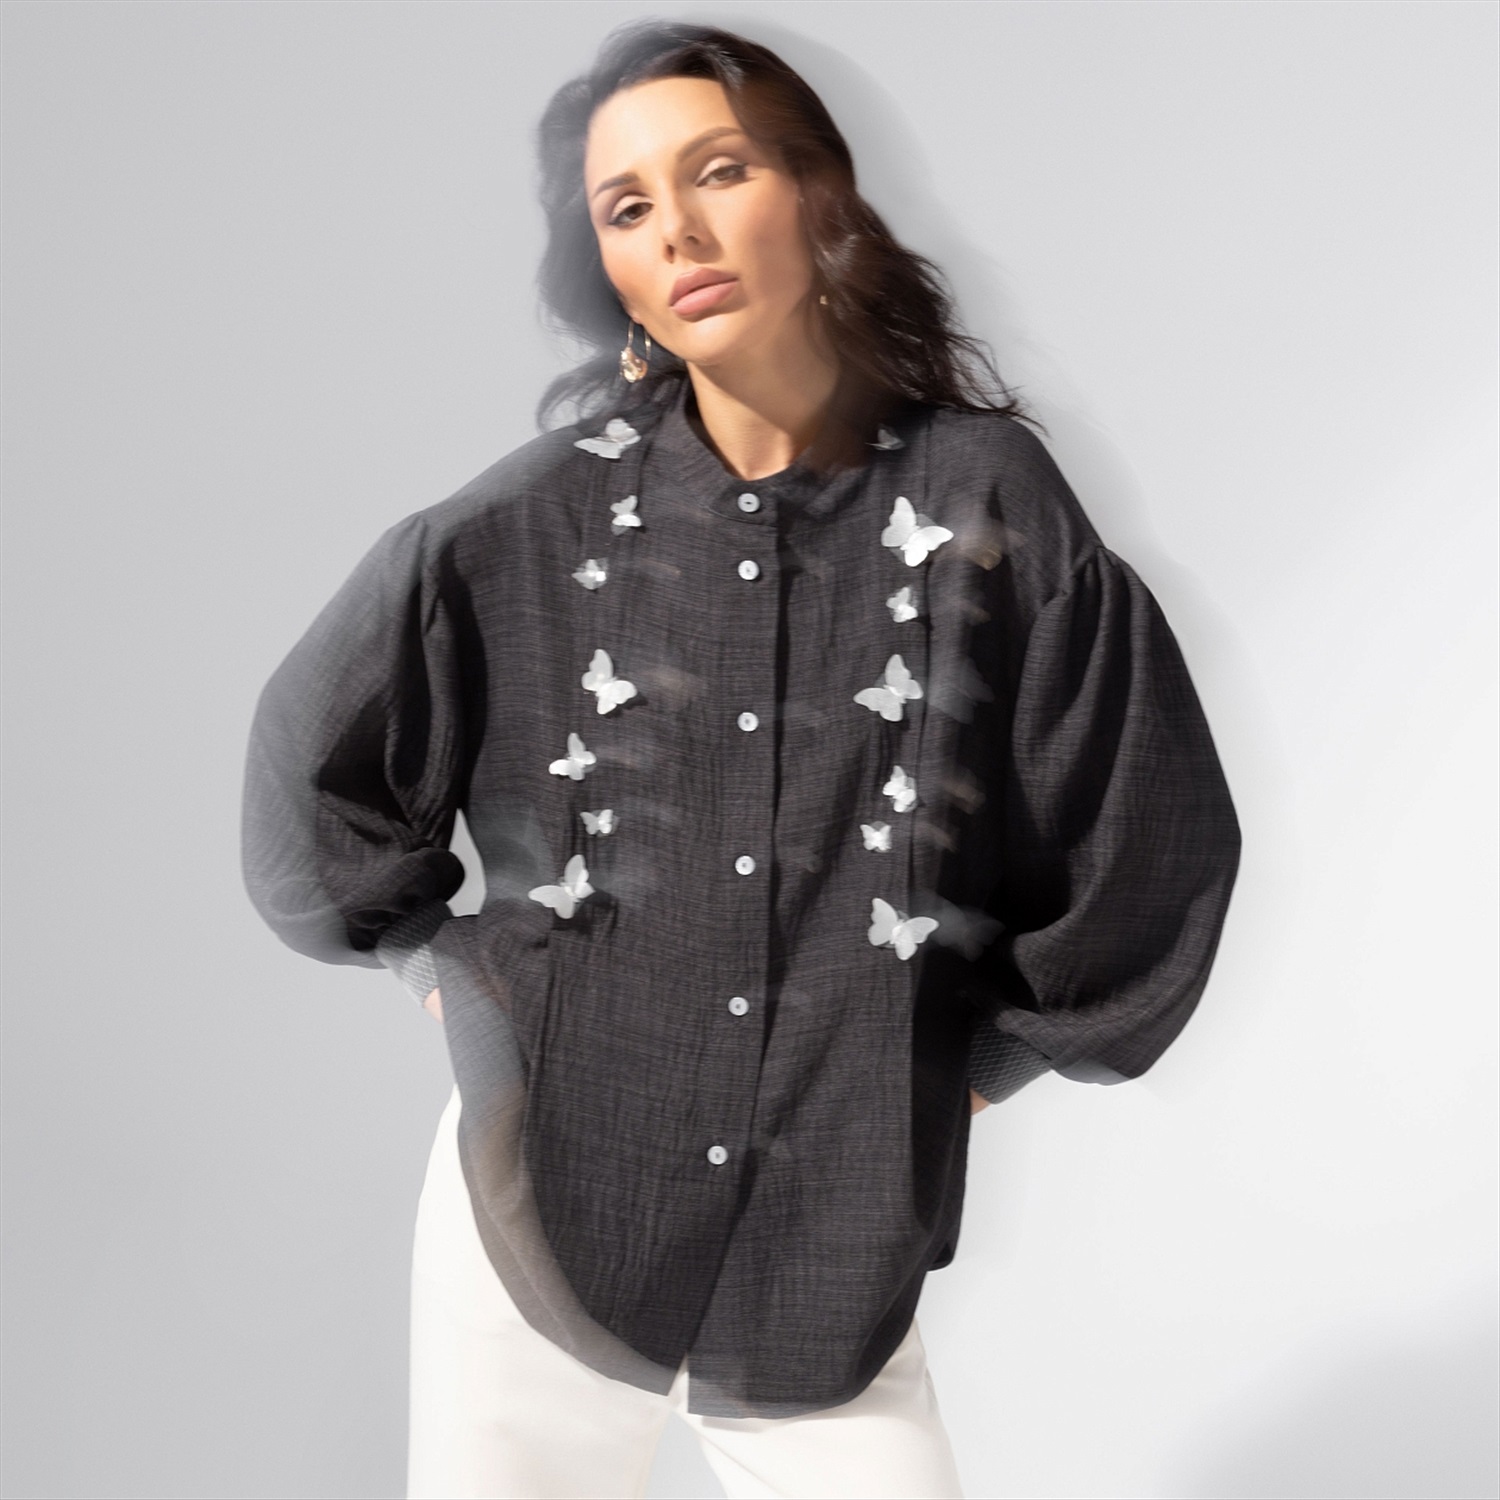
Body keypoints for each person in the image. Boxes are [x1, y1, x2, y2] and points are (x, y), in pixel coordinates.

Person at [239, 20, 1242, 1500]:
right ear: (610, 269)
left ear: (818, 194)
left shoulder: (987, 502)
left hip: (827, 1241)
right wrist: (449, 973)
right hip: (542, 1212)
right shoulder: (537, 520)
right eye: (627, 207)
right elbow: (310, 776)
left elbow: (1143, 827)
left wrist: (965, 1067)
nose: (679, 232)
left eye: (720, 171)